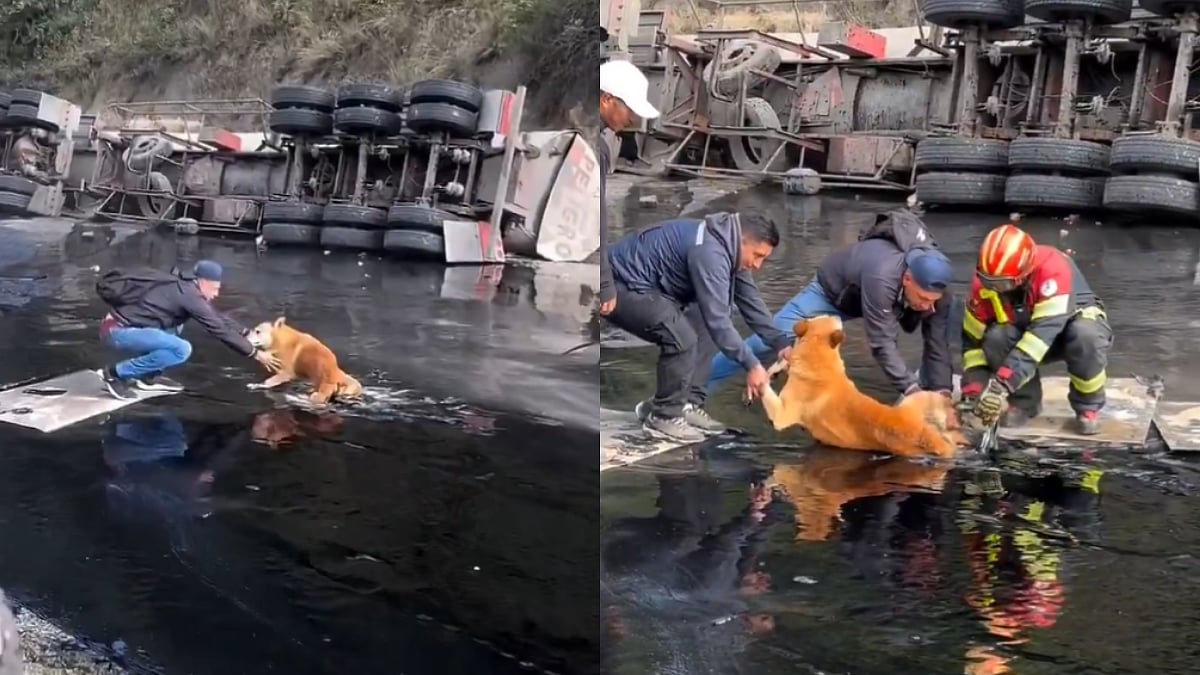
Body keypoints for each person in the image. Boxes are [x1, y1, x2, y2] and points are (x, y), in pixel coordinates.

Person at [707, 210, 955, 399]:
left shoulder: (935, 290)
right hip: (832, 293)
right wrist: (912, 392)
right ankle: (698, 387)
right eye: (923, 299)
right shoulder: (882, 276)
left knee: (930, 347)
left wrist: (941, 393)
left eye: (933, 301)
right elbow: (881, 343)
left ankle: (926, 388)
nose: (928, 307)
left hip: (887, 297)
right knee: (771, 338)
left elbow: (937, 343)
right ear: (908, 278)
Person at [606, 209, 792, 442]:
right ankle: (664, 416)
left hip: (652, 290)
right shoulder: (710, 252)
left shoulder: (729, 248)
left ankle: (685, 404)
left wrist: (781, 343)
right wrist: (752, 366)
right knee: (682, 338)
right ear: (742, 241)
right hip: (617, 286)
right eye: (757, 255)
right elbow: (720, 323)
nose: (758, 265)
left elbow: (750, 302)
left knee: (705, 318)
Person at [961, 223, 1111, 435]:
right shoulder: (985, 285)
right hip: (1027, 333)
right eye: (987, 281)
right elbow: (972, 342)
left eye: (1002, 284)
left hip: (1065, 332)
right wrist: (973, 390)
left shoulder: (1053, 269)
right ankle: (1024, 403)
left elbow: (1039, 338)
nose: (993, 289)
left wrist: (1000, 386)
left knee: (1086, 335)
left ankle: (1087, 406)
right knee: (996, 337)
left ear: (1023, 274)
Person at [96, 260, 279, 400]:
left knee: (177, 327)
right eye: (215, 288)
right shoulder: (189, 296)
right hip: (117, 332)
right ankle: (114, 375)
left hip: (126, 327)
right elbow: (218, 330)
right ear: (204, 282)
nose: (216, 294)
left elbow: (215, 316)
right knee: (181, 349)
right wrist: (254, 354)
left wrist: (245, 333)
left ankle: (147, 377)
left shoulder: (185, 287)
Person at [598, 58, 660, 318]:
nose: (632, 117)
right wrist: (603, 282)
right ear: (607, 100)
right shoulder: (597, 146)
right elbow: (595, 213)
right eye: (629, 108)